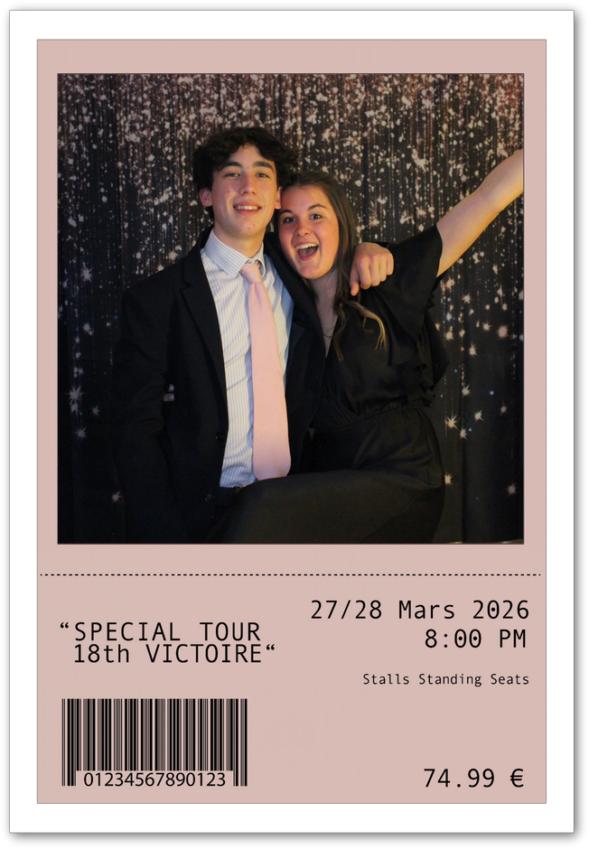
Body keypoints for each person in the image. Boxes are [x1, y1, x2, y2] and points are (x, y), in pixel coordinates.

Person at [214, 150, 524, 542]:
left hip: (401, 480)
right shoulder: (283, 308)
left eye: (316, 216)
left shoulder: (386, 285)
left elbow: (487, 199)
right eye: (288, 219)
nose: (301, 229)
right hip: (326, 483)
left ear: (341, 223)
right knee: (238, 505)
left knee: (261, 504)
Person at [111, 126, 392, 542]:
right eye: (231, 174)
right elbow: (135, 430)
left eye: (262, 174)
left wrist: (371, 248)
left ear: (277, 197)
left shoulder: (300, 274)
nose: (248, 186)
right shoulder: (156, 299)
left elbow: (343, 255)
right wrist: (164, 537)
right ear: (206, 195)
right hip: (201, 518)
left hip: (294, 506)